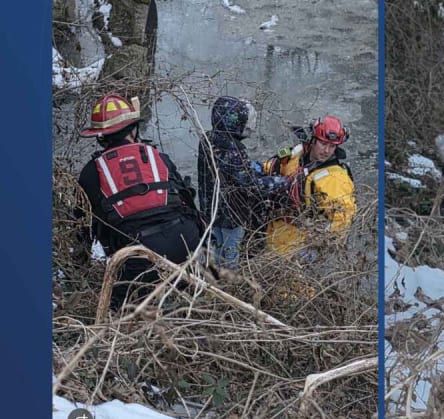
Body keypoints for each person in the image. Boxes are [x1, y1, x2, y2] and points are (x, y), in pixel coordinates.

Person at [77, 94, 203, 309]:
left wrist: (80, 265)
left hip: (137, 253)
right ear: (133, 129)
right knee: (186, 303)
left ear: (99, 137)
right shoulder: (158, 156)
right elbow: (186, 199)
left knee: (123, 311)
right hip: (187, 241)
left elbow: (82, 226)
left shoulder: (91, 172)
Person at [197, 96, 290, 268]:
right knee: (231, 255)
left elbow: (230, 170)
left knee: (216, 248)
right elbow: (252, 185)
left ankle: (214, 277)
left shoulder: (207, 139)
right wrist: (283, 182)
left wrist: (253, 167)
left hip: (211, 211)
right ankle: (229, 285)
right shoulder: (232, 150)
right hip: (231, 216)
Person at [261, 115, 357, 258]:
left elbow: (342, 218)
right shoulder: (299, 154)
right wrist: (259, 170)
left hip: (297, 242)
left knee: (288, 279)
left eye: (332, 146)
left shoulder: (334, 178)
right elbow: (278, 166)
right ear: (313, 140)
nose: (327, 150)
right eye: (323, 144)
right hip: (275, 228)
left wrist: (317, 246)